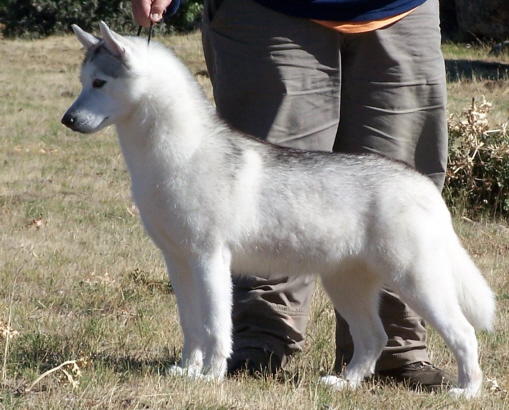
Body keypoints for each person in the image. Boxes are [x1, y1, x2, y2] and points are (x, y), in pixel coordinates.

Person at [132, 0, 451, 391]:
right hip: (268, 12)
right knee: (258, 194)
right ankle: (257, 336)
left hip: (400, 10)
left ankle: (394, 348)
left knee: (396, 201)